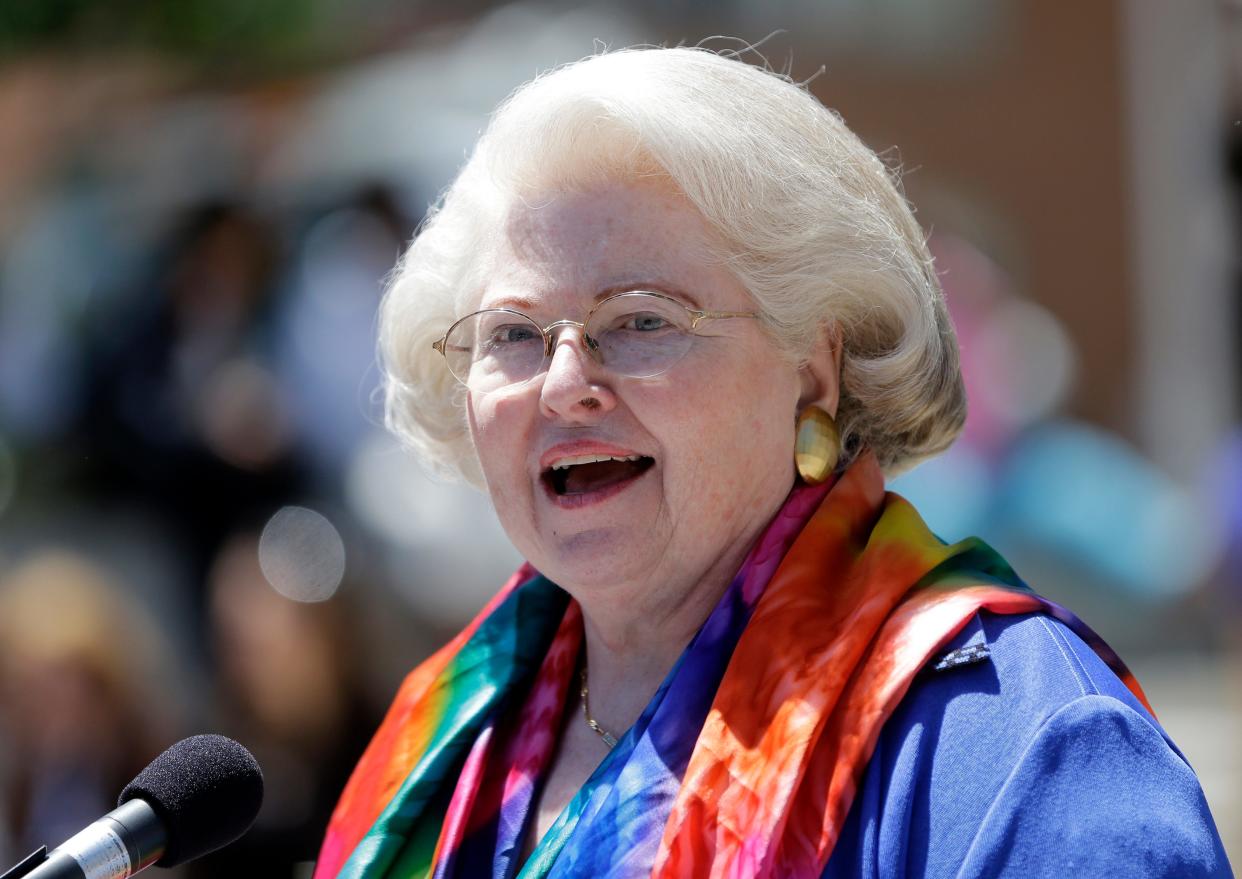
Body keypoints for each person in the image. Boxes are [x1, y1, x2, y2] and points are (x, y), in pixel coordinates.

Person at [314, 48, 1231, 878]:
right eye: (514, 333)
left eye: (641, 320)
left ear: (815, 369)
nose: (563, 386)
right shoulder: (438, 734)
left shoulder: (1011, 740)